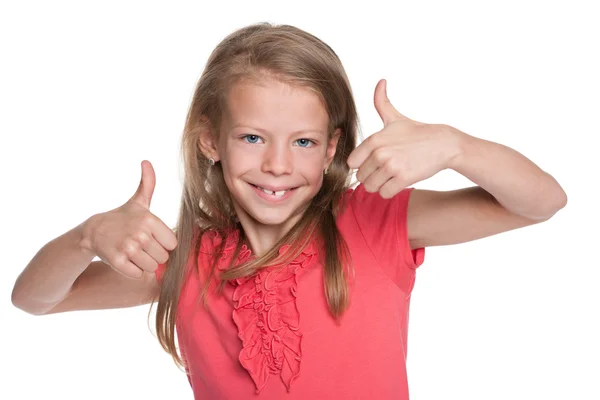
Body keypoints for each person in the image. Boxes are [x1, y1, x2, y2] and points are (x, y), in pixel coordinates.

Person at [11, 22, 567, 399]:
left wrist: (456, 146)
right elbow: (34, 300)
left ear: (332, 147)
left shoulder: (373, 221)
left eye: (302, 142)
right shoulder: (182, 260)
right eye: (252, 137)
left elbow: (541, 202)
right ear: (211, 139)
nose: (277, 165)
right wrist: (86, 236)